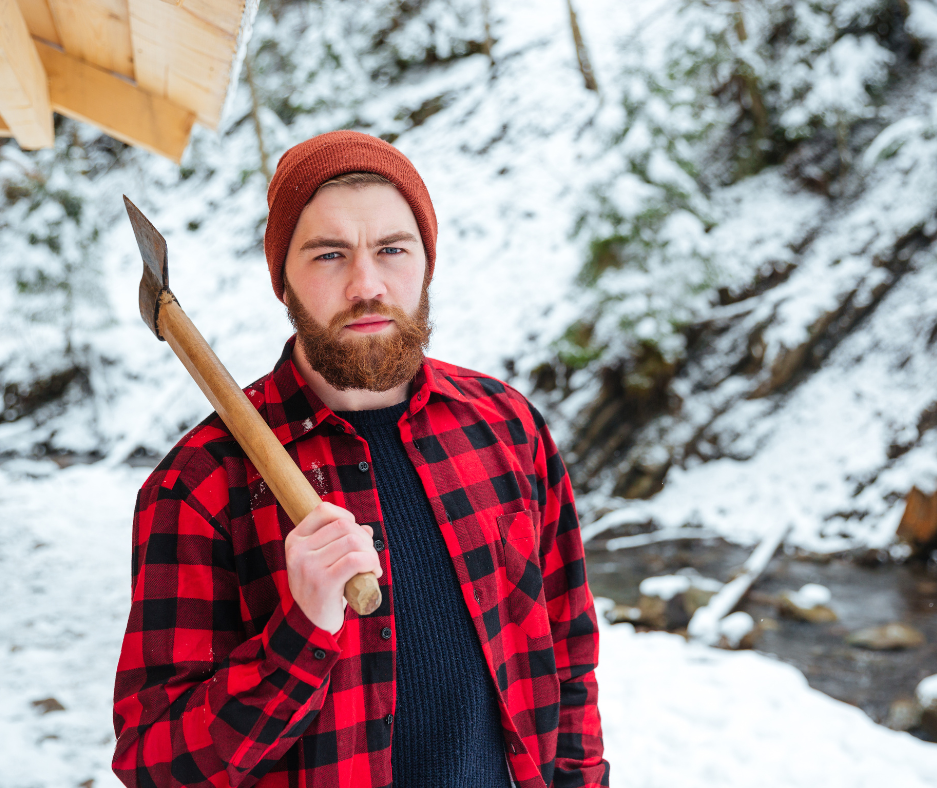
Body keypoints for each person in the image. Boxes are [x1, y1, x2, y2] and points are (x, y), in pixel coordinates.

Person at [112, 130, 609, 788]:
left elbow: (568, 656)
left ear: (426, 263)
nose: (365, 284)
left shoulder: (506, 429)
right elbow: (155, 764)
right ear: (281, 282)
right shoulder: (200, 484)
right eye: (328, 255)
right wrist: (302, 631)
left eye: (392, 250)